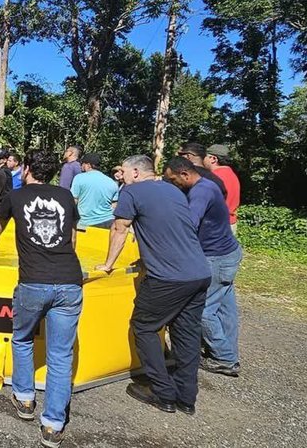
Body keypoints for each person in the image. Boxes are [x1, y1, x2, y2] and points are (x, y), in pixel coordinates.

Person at [0, 150, 82, 448]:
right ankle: (53, 425)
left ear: (26, 170)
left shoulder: (15, 197)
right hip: (69, 281)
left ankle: (24, 400)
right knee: (61, 355)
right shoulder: (66, 197)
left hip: (32, 281)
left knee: (22, 339)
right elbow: (72, 240)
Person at [95, 155, 210, 416]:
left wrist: (108, 264)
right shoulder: (173, 190)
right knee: (187, 334)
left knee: (144, 327)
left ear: (135, 172)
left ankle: (162, 391)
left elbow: (119, 228)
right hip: (199, 273)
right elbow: (168, 228)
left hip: (168, 278)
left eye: (123, 171)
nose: (120, 176)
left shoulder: (132, 192)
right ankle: (186, 396)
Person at [163, 157, 243, 378]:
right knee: (225, 309)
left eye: (173, 180)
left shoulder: (201, 192)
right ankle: (228, 354)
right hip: (227, 254)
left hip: (216, 258)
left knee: (204, 310)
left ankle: (225, 358)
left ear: (185, 175)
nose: (173, 184)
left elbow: (189, 224)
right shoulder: (207, 186)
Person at [70, 153, 119, 229]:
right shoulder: (111, 182)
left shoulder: (79, 178)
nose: (81, 166)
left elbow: (74, 201)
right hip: (109, 222)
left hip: (86, 223)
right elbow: (114, 205)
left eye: (82, 163)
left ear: (88, 165)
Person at [204, 144, 241, 234]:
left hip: (216, 225)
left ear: (213, 159)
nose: (203, 160)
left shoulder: (214, 177)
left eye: (205, 157)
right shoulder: (232, 174)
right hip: (230, 223)